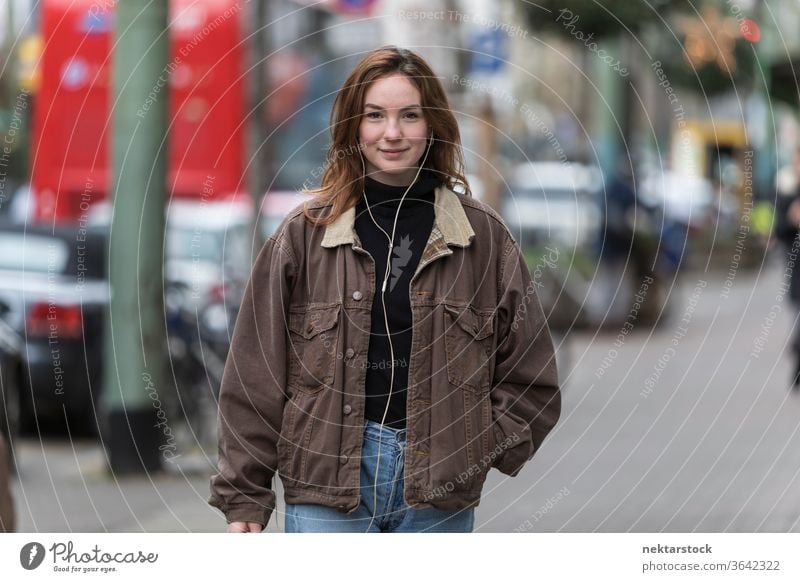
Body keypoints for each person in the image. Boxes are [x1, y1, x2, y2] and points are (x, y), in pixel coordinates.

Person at [208, 46, 561, 533]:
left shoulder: (484, 240)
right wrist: (244, 495)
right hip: (325, 489)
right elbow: (255, 373)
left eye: (409, 115)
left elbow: (532, 377)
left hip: (438, 493)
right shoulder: (303, 236)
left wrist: (473, 449)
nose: (392, 132)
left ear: (432, 123)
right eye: (375, 115)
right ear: (354, 127)